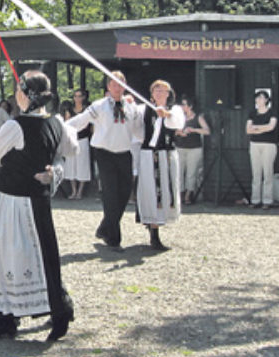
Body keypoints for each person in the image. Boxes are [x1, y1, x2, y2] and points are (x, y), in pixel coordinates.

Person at [0, 70, 78, 341]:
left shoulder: (15, 126)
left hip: (14, 203)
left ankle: (8, 316)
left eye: (18, 90)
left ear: (26, 94)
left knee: (8, 254)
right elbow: (70, 149)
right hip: (38, 202)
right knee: (43, 255)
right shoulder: (56, 123)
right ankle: (56, 309)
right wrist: (53, 170)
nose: (15, 95)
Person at [66, 71, 141, 250]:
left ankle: (104, 227)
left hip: (124, 153)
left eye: (121, 83)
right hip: (104, 153)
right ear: (108, 86)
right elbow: (81, 121)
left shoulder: (132, 108)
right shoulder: (99, 105)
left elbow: (139, 131)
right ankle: (114, 238)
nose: (117, 87)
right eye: (114, 83)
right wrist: (61, 128)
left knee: (124, 193)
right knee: (110, 193)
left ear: (125, 86)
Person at [132, 80, 185, 251]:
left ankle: (157, 227)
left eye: (164, 90)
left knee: (166, 190)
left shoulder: (174, 110)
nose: (160, 93)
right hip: (149, 155)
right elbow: (135, 127)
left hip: (167, 155)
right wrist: (128, 104)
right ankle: (153, 234)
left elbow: (178, 123)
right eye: (157, 90)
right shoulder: (143, 109)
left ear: (169, 94)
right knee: (151, 191)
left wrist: (166, 115)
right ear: (151, 93)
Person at [174, 95, 210, 205]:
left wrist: (194, 130)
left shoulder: (198, 117)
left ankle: (188, 195)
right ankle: (179, 194)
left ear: (190, 106)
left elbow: (207, 131)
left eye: (184, 104)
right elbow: (173, 130)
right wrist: (180, 132)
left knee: (191, 173)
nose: (182, 106)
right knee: (179, 172)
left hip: (194, 149)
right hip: (180, 147)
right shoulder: (179, 117)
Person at [246, 90, 278, 209]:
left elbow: (271, 127)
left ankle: (267, 200)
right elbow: (248, 130)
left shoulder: (272, 112)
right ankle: (255, 200)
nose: (258, 100)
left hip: (269, 145)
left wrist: (257, 127)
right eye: (257, 98)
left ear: (266, 100)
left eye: (261, 98)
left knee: (267, 172)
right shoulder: (252, 113)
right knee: (256, 173)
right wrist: (261, 128)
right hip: (254, 144)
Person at [64, 89, 92, 200]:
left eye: (79, 96)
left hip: (83, 139)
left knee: (82, 165)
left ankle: (80, 191)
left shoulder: (86, 111)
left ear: (83, 97)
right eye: (75, 96)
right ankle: (74, 191)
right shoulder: (69, 110)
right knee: (71, 165)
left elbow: (86, 125)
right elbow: (67, 125)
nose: (77, 98)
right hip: (72, 139)